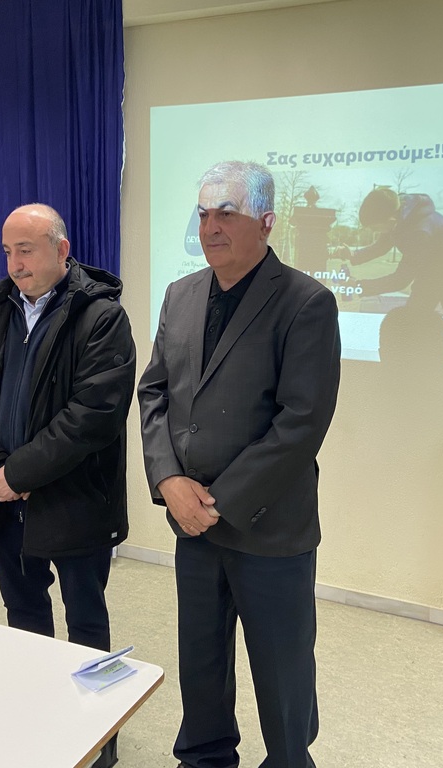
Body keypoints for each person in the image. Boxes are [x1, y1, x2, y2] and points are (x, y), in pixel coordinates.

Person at [138, 161, 341, 768]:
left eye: (227, 213)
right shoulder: (181, 294)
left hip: (268, 526)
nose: (211, 227)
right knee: (200, 661)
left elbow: (301, 422)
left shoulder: (306, 302)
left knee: (282, 670)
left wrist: (216, 503)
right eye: (204, 213)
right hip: (190, 522)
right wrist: (168, 480)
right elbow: (154, 392)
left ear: (267, 222)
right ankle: (204, 757)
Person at [0, 203, 134, 647]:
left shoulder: (101, 317)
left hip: (75, 501)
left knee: (86, 624)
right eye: (8, 251)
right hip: (4, 501)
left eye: (25, 250)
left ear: (61, 249)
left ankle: (91, 699)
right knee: (24, 618)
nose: (15, 264)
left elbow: (92, 415)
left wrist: (18, 474)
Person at [337, 186, 443, 316]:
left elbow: (400, 280)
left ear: (391, 221)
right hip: (431, 267)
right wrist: (353, 255)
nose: (374, 232)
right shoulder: (398, 214)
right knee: (413, 316)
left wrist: (358, 285)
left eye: (375, 228)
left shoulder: (420, 232)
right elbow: (381, 246)